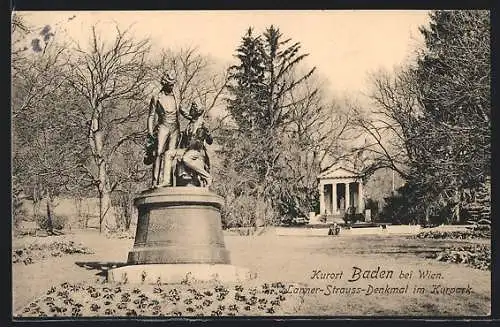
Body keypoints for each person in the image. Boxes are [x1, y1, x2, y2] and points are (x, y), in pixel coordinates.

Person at [146, 72, 180, 188]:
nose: (172, 87)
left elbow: (181, 111)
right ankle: (155, 181)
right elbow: (151, 115)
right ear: (164, 84)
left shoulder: (176, 96)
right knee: (158, 152)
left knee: (171, 154)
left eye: (173, 84)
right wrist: (150, 132)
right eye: (170, 84)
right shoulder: (156, 97)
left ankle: (169, 182)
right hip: (163, 126)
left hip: (175, 128)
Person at [176, 102, 213, 187]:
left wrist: (207, 132)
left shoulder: (202, 124)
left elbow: (210, 141)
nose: (191, 111)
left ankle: (207, 177)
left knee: (185, 159)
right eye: (191, 109)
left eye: (193, 109)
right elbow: (183, 112)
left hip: (197, 151)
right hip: (187, 149)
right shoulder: (190, 124)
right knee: (169, 154)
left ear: (198, 112)